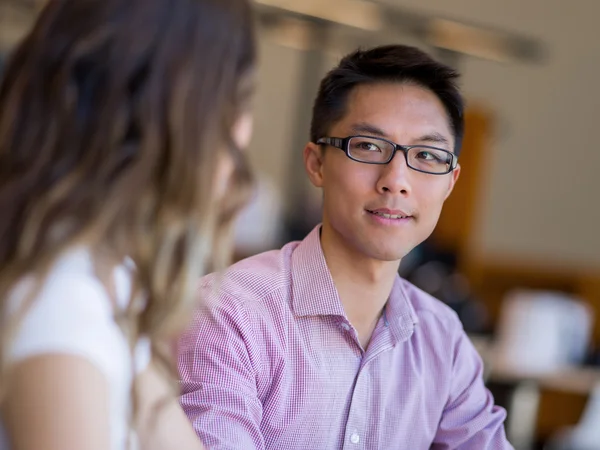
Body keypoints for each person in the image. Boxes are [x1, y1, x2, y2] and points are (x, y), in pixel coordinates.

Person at [178, 44, 512, 449]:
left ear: (450, 183)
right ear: (317, 163)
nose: (396, 180)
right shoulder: (228, 314)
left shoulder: (444, 341)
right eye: (369, 147)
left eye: (426, 155)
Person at [0, 0, 256, 449]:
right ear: (178, 115)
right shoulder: (63, 306)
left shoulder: (108, 277)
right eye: (236, 99)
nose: (244, 132)